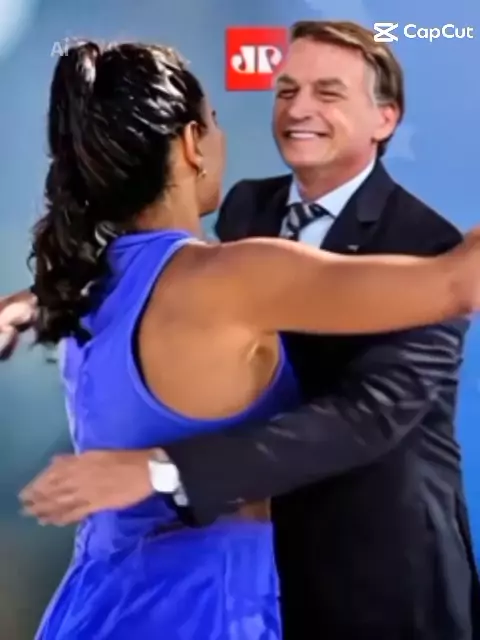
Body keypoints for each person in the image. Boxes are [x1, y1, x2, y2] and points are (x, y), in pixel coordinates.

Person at [3, 23, 480, 640]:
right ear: (191, 143)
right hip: (206, 612)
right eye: (216, 120)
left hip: (96, 608)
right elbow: (456, 283)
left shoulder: (84, 286)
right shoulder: (235, 274)